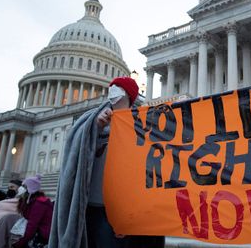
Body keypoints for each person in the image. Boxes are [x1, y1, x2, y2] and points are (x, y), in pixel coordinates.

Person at [49, 77, 165, 248]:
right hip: (92, 203)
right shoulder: (91, 119)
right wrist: (96, 127)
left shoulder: (142, 123)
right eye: (112, 86)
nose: (113, 89)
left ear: (129, 95)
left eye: (118, 87)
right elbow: (75, 149)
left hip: (122, 207)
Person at [12, 175, 53, 248]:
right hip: (37, 235)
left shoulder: (39, 203)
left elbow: (32, 226)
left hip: (42, 238)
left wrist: (18, 244)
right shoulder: (31, 201)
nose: (21, 188)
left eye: (24, 186)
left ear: (30, 189)